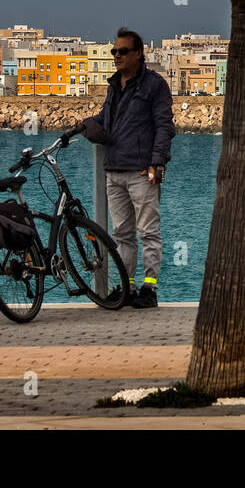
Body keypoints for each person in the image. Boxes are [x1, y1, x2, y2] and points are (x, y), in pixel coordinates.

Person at [81, 28, 175, 309]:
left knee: (148, 231)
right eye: (114, 52)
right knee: (121, 234)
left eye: (122, 51)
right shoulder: (114, 86)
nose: (117, 56)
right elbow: (107, 118)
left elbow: (164, 126)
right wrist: (87, 124)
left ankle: (150, 289)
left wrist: (158, 162)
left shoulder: (154, 85)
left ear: (138, 54)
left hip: (141, 172)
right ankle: (126, 287)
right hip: (114, 170)